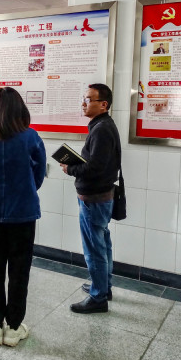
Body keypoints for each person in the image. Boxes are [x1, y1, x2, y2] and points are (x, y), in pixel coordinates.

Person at [0, 87, 45, 347]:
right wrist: (26, 190)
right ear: (19, 108)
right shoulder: (30, 137)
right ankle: (14, 327)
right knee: (19, 272)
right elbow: (38, 173)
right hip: (23, 214)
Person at [60, 83, 121, 314]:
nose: (83, 103)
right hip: (99, 197)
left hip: (94, 199)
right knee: (102, 243)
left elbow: (95, 168)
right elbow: (97, 162)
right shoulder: (102, 125)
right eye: (84, 99)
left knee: (94, 248)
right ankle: (103, 287)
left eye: (88, 99)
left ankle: (98, 297)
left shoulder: (102, 129)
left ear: (103, 104)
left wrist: (70, 169)